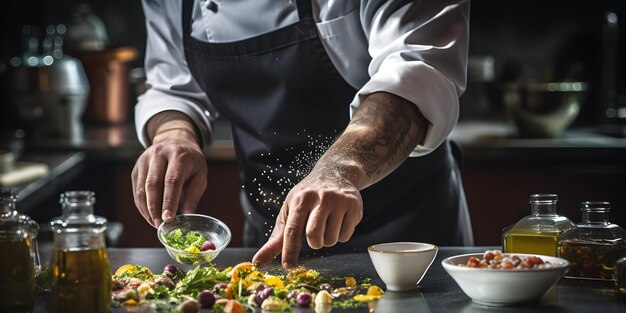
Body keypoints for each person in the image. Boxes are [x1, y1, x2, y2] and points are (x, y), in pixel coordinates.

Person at [132, 0, 473, 269]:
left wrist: (340, 168)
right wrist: (173, 135)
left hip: (405, 233)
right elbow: (172, 85)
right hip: (272, 235)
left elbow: (418, 72)